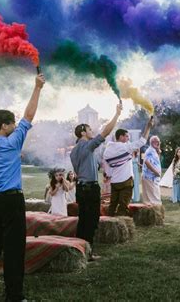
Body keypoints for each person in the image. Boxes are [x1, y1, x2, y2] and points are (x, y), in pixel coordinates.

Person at [0, 73, 45, 301]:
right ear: (5, 126)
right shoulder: (11, 141)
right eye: (12, 123)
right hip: (12, 200)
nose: (16, 126)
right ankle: (14, 296)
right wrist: (37, 88)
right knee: (14, 248)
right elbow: (29, 115)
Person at [70, 103, 122, 260]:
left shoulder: (73, 151)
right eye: (90, 129)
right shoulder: (87, 145)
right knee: (91, 221)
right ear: (83, 133)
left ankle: (81, 251)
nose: (92, 131)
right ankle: (88, 252)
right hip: (90, 189)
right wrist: (117, 114)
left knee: (83, 221)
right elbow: (105, 132)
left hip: (81, 188)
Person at [103, 119, 153, 216]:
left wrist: (108, 176)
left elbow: (108, 168)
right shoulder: (125, 147)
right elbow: (142, 141)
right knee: (123, 205)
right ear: (121, 137)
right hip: (125, 181)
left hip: (114, 181)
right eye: (126, 136)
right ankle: (121, 226)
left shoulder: (107, 150)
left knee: (112, 205)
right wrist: (148, 127)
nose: (128, 138)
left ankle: (110, 222)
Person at [142, 136, 162, 205]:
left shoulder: (153, 150)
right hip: (150, 177)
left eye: (159, 142)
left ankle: (152, 213)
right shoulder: (150, 151)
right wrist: (156, 172)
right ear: (153, 142)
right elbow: (147, 162)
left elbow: (156, 162)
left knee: (150, 199)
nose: (159, 143)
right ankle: (156, 213)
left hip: (151, 177)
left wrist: (158, 152)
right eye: (157, 142)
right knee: (154, 198)